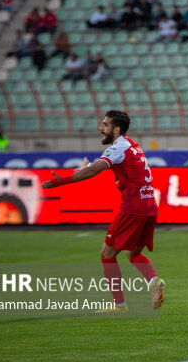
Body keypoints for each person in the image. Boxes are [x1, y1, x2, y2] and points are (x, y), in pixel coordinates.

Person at [42, 110, 165, 312]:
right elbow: (107, 164)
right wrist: (87, 166)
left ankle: (119, 304)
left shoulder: (118, 148)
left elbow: (95, 170)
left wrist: (61, 182)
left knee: (106, 253)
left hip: (133, 208)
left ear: (116, 129)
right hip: (149, 206)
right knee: (132, 252)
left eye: (105, 125)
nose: (101, 128)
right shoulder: (132, 145)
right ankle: (154, 282)